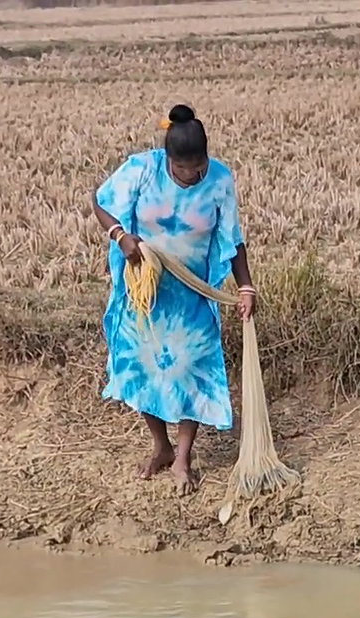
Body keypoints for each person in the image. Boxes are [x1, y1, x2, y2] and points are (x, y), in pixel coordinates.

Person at [91, 104, 257, 495]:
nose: (194, 175)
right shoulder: (142, 169)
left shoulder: (219, 179)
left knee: (190, 370)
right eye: (186, 170)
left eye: (200, 167)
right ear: (169, 160)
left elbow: (233, 238)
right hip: (145, 291)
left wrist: (246, 287)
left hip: (192, 293)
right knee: (142, 367)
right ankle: (161, 447)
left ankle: (183, 458)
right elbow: (100, 201)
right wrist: (120, 235)